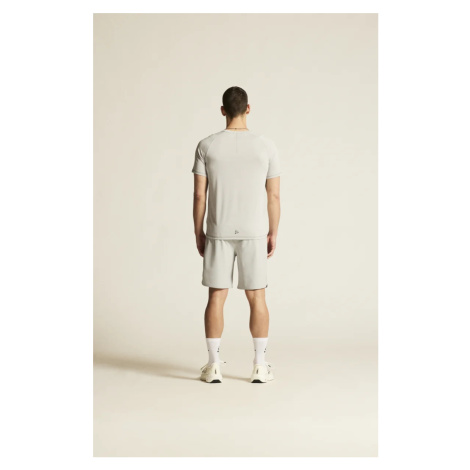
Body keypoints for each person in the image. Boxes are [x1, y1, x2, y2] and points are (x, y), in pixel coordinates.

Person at [192, 86, 281, 384]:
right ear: (248, 109)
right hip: (254, 231)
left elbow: (199, 196)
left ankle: (213, 365)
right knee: (257, 297)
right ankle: (260, 365)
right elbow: (273, 196)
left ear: (223, 110)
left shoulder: (206, 145)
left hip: (218, 230)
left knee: (216, 296)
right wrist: (273, 231)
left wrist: (199, 232)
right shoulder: (266, 146)